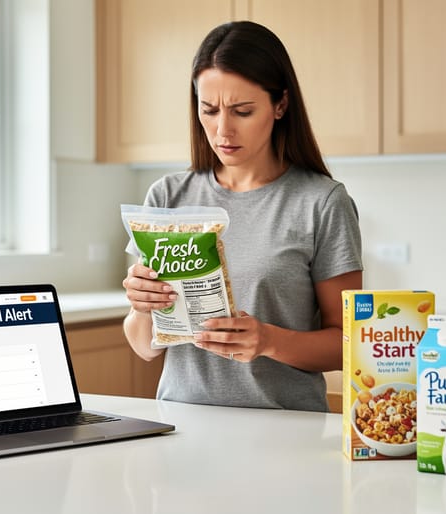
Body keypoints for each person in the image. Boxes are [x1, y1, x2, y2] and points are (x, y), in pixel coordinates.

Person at [121, 21, 363, 412]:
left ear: (280, 105)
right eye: (209, 110)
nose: (222, 130)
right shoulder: (167, 196)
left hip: (283, 433)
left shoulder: (322, 202)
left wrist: (268, 341)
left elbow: (351, 343)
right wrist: (141, 306)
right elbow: (143, 346)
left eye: (242, 111)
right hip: (182, 426)